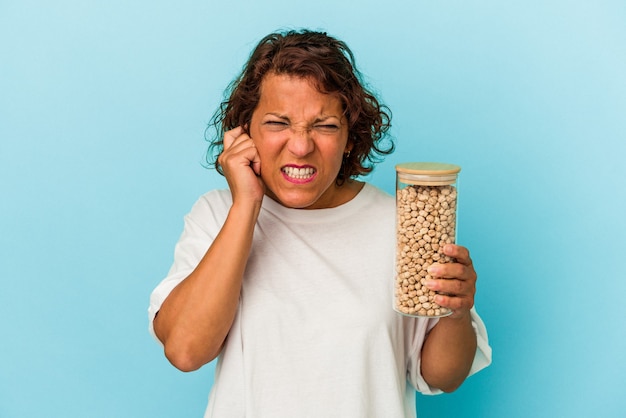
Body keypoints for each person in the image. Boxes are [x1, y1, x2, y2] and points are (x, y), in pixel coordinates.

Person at [148, 29, 491, 417]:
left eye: (324, 125)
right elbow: (186, 350)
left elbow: (442, 377)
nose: (300, 145)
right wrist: (246, 203)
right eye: (278, 123)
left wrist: (457, 311)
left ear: (349, 137)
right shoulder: (215, 215)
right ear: (246, 132)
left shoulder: (401, 223)